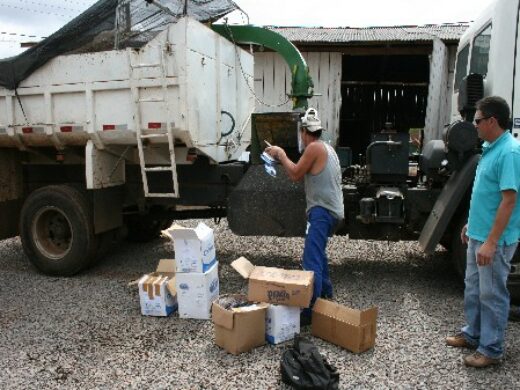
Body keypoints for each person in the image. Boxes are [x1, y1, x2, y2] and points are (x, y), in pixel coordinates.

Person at [446, 96, 520, 368]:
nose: (473, 125)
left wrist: (490, 241)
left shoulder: (510, 152)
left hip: (495, 240)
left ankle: (491, 349)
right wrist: (470, 225)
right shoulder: (491, 147)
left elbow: (508, 200)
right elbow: (484, 196)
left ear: (492, 121)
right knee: (475, 288)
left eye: (477, 120)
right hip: (479, 234)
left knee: (492, 294)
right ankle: (473, 334)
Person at [265, 108, 344, 325]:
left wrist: (281, 154)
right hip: (332, 213)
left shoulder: (314, 148)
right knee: (318, 253)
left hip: (322, 212)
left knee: (311, 259)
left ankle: (310, 312)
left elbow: (295, 174)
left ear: (304, 132)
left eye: (301, 133)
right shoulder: (327, 147)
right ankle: (326, 292)